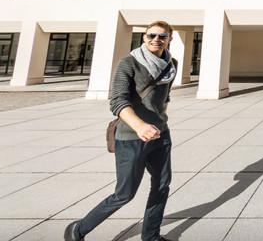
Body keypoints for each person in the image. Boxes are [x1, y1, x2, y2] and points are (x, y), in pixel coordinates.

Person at [65, 21, 178, 241]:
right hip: (131, 137)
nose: (156, 40)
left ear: (169, 39)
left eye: (162, 36)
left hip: (160, 134)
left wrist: (159, 119)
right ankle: (77, 229)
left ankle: (151, 236)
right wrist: (140, 125)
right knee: (125, 194)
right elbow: (117, 101)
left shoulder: (172, 63)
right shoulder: (129, 63)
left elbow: (165, 96)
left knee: (162, 185)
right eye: (151, 35)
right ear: (144, 37)